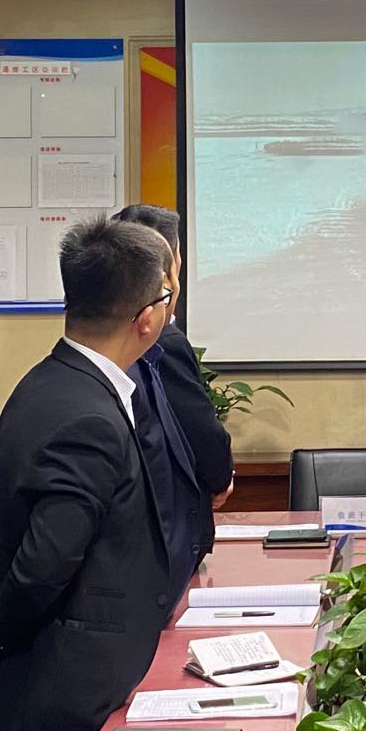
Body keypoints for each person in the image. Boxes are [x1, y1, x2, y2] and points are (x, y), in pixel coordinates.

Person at [0, 218, 200, 731]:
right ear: (147, 319)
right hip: (70, 700)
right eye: (167, 295)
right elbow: (43, 567)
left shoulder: (53, 382)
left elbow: (15, 520)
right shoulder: (87, 417)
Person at [112, 204, 235, 559]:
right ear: (168, 271)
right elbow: (198, 429)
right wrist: (219, 476)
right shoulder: (161, 342)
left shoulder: (101, 339)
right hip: (164, 540)